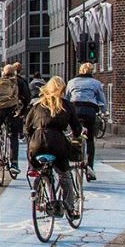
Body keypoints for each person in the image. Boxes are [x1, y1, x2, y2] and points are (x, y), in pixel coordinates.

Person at [25, 77, 83, 220]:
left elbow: (27, 127)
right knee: (64, 174)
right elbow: (76, 127)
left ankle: (37, 194)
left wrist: (33, 138)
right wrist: (77, 136)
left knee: (40, 169)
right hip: (57, 142)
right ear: (62, 90)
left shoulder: (37, 105)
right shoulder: (66, 105)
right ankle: (70, 207)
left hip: (36, 143)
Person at [65, 63, 106, 181]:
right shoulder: (96, 83)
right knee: (90, 140)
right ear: (91, 71)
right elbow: (102, 100)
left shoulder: (71, 82)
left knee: (73, 136)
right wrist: (104, 111)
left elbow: (66, 98)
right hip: (89, 112)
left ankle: (72, 161)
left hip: (74, 111)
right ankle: (89, 168)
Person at [0, 64, 22, 175]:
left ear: (3, 72)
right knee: (13, 136)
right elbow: (26, 96)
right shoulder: (18, 82)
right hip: (12, 110)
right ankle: (14, 164)